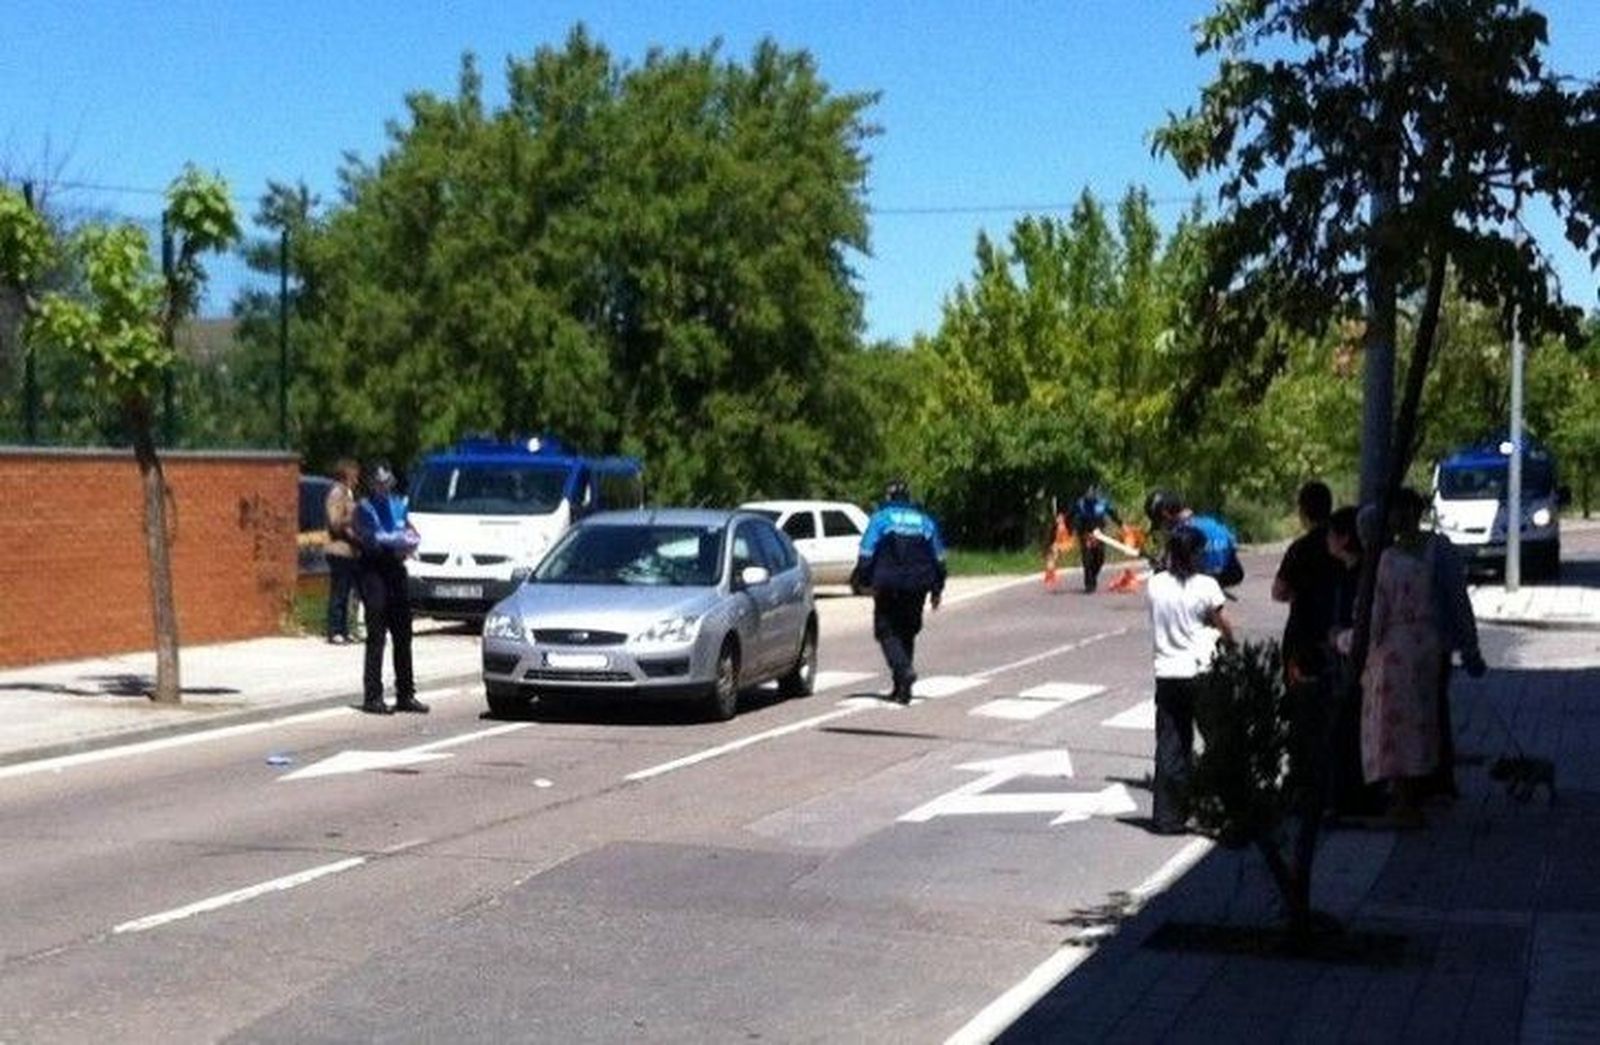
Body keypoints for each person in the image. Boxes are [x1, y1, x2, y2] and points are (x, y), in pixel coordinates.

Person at [1360, 488, 1448, 826]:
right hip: (1426, 643)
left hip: (1395, 649)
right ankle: (1417, 793)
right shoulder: (1434, 551)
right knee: (1421, 720)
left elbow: (1376, 615)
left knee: (1393, 725)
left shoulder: (1386, 561)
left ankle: (1403, 801)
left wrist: (1355, 644)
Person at [1145, 525, 1234, 834]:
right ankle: (1228, 806)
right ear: (1196, 554)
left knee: (1171, 745)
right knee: (1217, 739)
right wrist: (1231, 644)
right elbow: (1222, 622)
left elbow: (1165, 584)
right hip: (1200, 669)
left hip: (1167, 672)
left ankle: (1168, 816)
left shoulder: (1155, 584)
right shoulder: (1206, 586)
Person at [851, 478, 947, 704]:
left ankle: (904, 671)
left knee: (886, 631)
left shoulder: (881, 518)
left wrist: (862, 579)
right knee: (907, 632)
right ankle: (902, 689)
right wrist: (937, 589)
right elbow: (939, 558)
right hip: (918, 586)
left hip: (888, 584)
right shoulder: (925, 521)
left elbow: (866, 552)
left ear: (889, 497)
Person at [1421, 511, 1487, 799]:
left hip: (1434, 645)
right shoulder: (1390, 551)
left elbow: (1457, 600)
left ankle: (1439, 778)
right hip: (1410, 648)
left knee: (1434, 711)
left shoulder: (1438, 550)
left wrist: (1469, 647)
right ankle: (1424, 778)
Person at [354, 461, 427, 715]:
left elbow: (407, 529)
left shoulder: (398, 504)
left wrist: (410, 540)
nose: (383, 488)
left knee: (403, 633)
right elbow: (371, 537)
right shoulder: (364, 507)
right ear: (371, 485)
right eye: (378, 483)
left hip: (396, 568)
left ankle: (406, 693)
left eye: (386, 483)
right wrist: (396, 540)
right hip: (374, 569)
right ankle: (372, 696)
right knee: (377, 633)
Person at [1145, 489, 1244, 588]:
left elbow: (1169, 567)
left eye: (1160, 523)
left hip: (1197, 584)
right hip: (1225, 577)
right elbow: (1232, 547)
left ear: (1165, 515)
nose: (1163, 529)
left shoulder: (1180, 534)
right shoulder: (1212, 522)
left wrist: (1159, 565)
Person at [323, 458, 361, 645]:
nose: (357, 480)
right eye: (354, 476)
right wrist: (353, 516)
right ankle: (334, 630)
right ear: (346, 475)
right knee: (339, 591)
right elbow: (334, 522)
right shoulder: (337, 493)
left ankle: (345, 630)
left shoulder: (348, 493)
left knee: (347, 592)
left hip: (350, 550)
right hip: (339, 550)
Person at [1069, 484, 1123, 593]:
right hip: (1085, 533)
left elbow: (1112, 513)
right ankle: (1089, 584)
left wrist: (1121, 525)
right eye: (1087, 494)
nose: (1089, 495)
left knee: (1100, 558)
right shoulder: (1080, 503)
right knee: (1087, 559)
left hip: (1099, 534)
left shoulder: (1103, 503)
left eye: (1091, 493)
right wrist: (1068, 529)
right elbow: (1070, 515)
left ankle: (1093, 576)